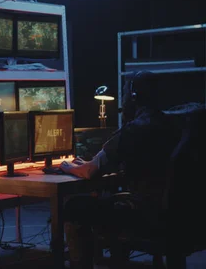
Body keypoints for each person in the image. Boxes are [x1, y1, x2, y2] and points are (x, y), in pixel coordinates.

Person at [59, 71, 177, 268]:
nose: (122, 101)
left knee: (74, 206)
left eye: (124, 94)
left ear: (134, 97)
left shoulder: (134, 130)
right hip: (176, 216)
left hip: (144, 214)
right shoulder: (174, 125)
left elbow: (90, 172)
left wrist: (67, 166)